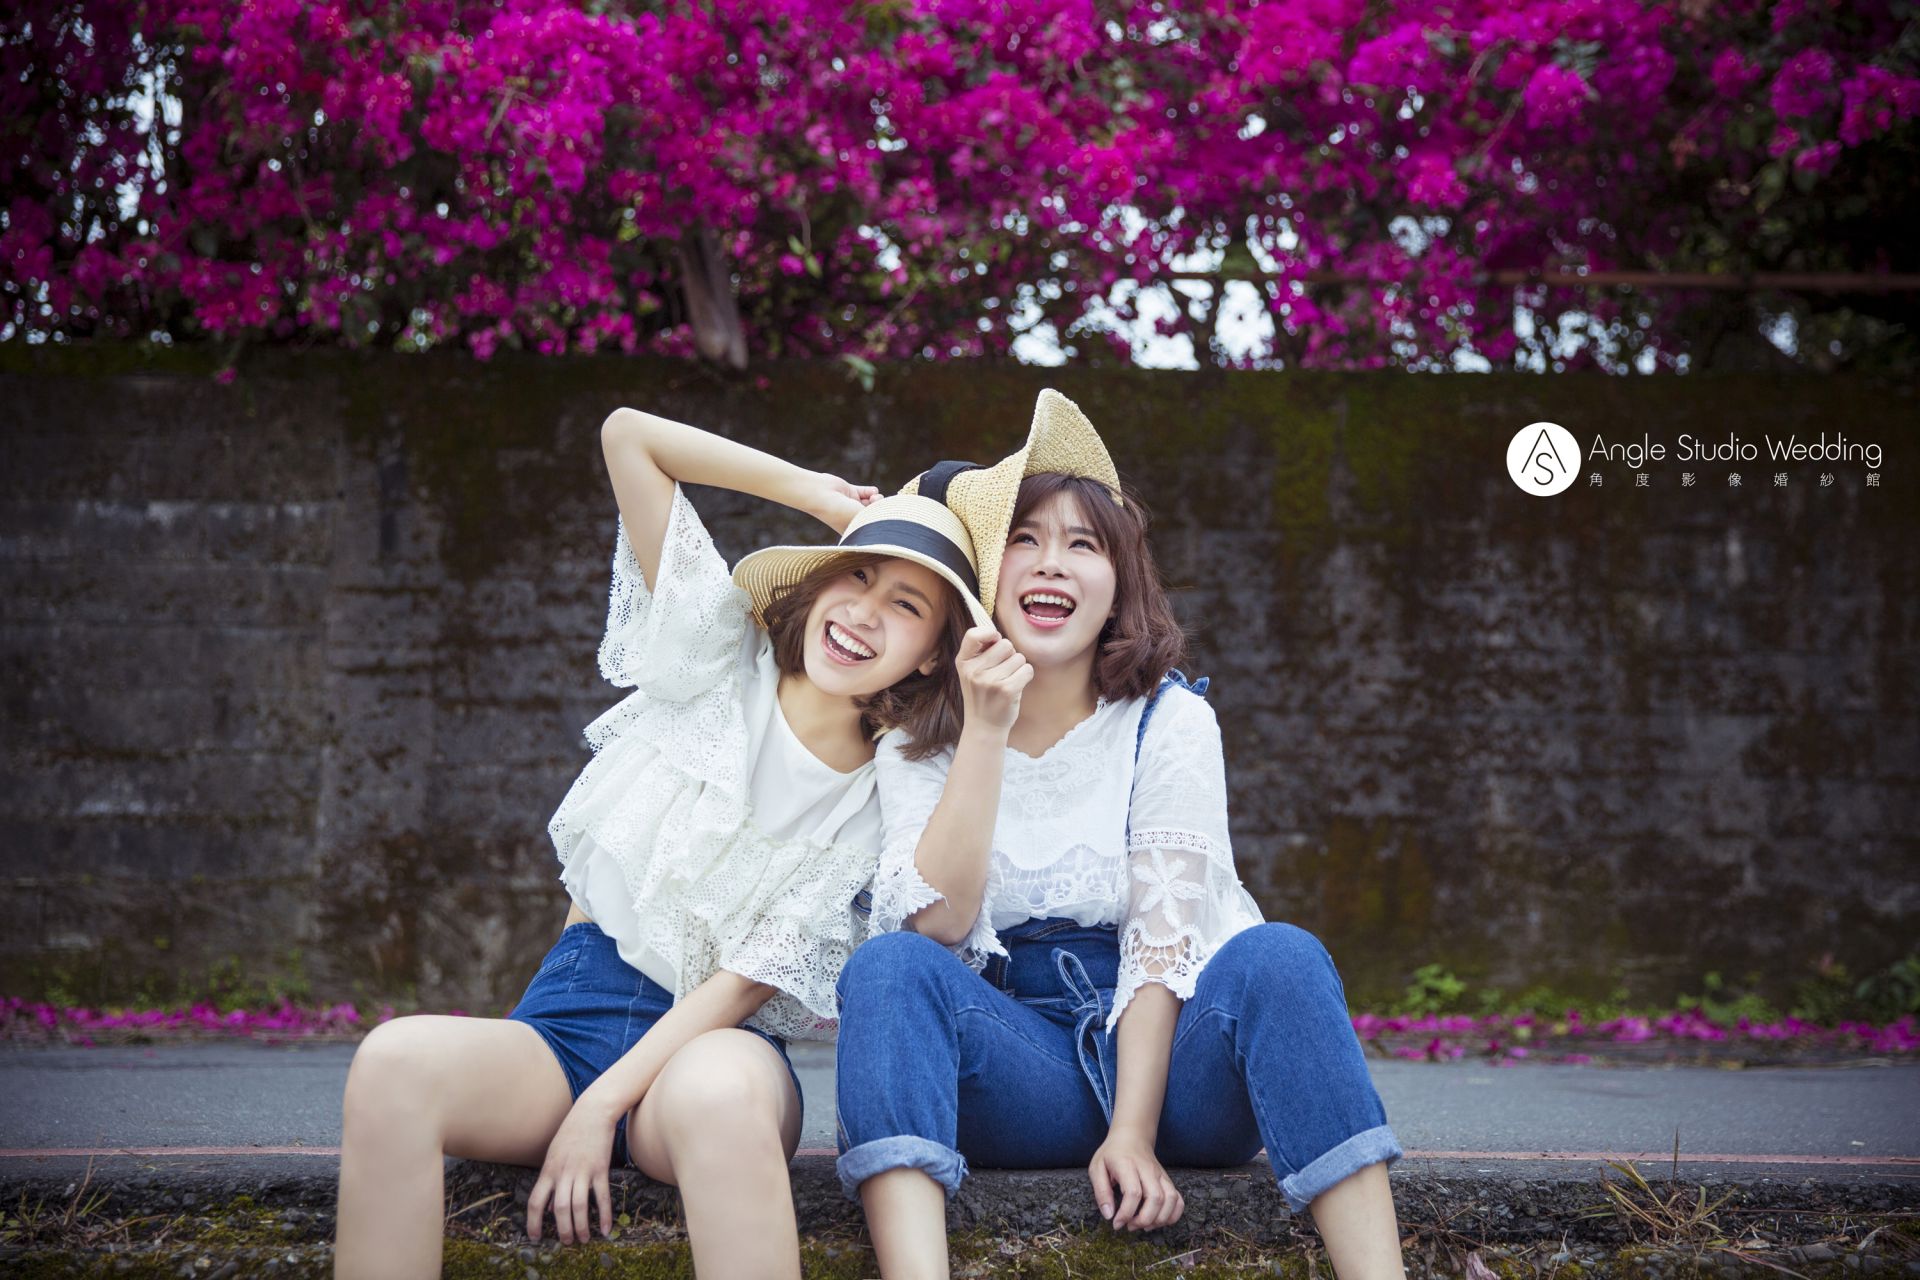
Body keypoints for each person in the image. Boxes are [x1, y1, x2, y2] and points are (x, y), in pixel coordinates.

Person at [335, 406, 991, 1279]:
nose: (864, 613)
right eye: (856, 576)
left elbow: (748, 980)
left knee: (719, 1091)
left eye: (905, 605)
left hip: (716, 1050)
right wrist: (821, 498)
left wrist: (600, 1107)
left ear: (933, 656)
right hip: (570, 1021)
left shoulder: (889, 793)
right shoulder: (713, 653)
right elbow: (628, 437)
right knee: (394, 1063)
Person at [833, 390, 1408, 1280]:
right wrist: (983, 730)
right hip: (1016, 1066)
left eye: (1083, 544)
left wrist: (1133, 1134)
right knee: (889, 967)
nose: (1050, 563)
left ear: (1117, 586)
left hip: (1176, 1071)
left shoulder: (1169, 721)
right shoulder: (916, 742)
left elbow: (1160, 939)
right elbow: (939, 924)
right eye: (1024, 539)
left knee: (1282, 957)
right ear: (982, 580)